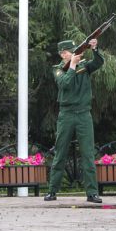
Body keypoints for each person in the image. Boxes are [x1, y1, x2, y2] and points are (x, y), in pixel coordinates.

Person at [44, 38, 105, 203]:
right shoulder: (58, 69)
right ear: (63, 54)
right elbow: (64, 83)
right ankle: (52, 191)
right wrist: (72, 66)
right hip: (67, 114)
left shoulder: (84, 66)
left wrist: (95, 48)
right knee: (60, 152)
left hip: (84, 114)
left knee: (87, 154)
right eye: (72, 51)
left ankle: (92, 193)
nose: (76, 53)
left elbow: (98, 62)